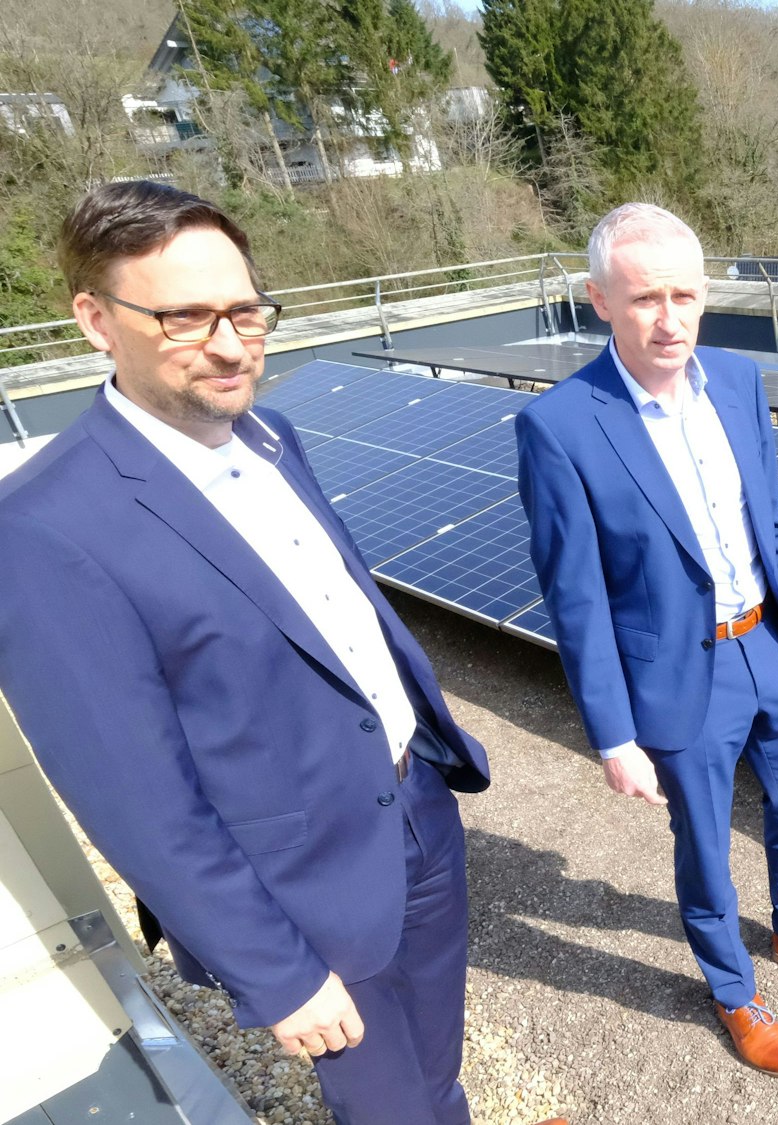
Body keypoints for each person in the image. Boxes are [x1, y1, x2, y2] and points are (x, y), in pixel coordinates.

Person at [0, 181, 498, 1125]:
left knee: (439, 1068)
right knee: (388, 1108)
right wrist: (276, 973)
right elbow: (136, 799)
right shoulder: (44, 528)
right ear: (96, 320)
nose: (229, 345)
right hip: (304, 889)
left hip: (417, 811)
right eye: (183, 318)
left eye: (244, 311)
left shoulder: (270, 434)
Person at [516, 203, 778, 1076]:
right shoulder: (562, 425)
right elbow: (575, 600)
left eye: (686, 294)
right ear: (598, 299)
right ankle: (733, 988)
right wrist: (613, 734)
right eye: (645, 297)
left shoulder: (738, 379)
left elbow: (774, 524)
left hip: (772, 646)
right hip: (681, 676)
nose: (671, 318)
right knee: (707, 844)